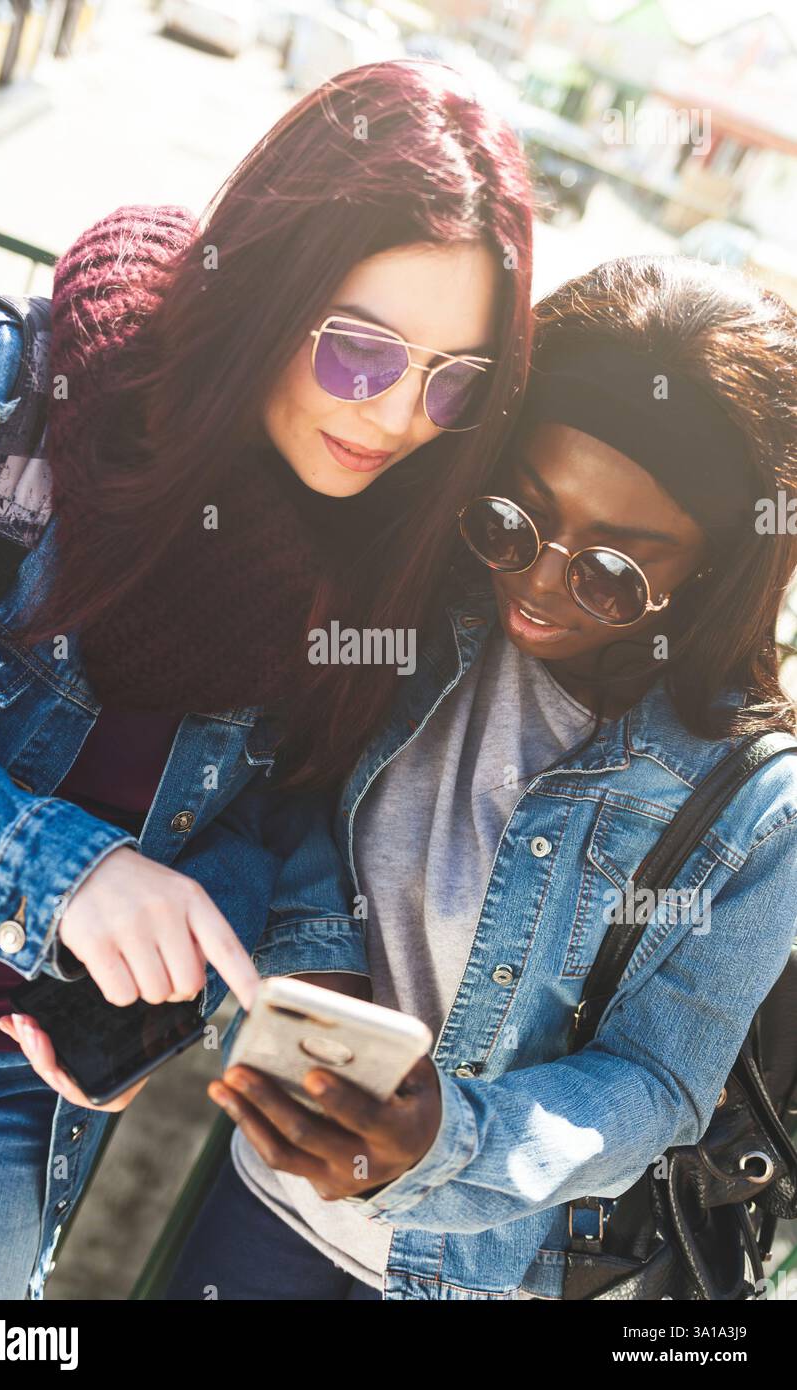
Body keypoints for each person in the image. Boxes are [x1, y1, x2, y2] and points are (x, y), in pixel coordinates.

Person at [0, 58, 533, 1300]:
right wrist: (62, 872)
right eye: (362, 351)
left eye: (455, 380)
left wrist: (184, 965)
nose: (398, 417)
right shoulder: (5, 400)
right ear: (266, 286)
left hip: (2, 1100)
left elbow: (267, 818)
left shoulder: (374, 561)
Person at [161, 255, 797, 1301]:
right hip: (268, 1219)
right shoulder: (412, 612)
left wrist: (438, 1144)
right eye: (516, 519)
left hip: (487, 1280)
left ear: (714, 569)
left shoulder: (755, 807)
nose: (539, 584)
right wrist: (325, 985)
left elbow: (662, 1083)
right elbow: (296, 797)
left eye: (612, 569)